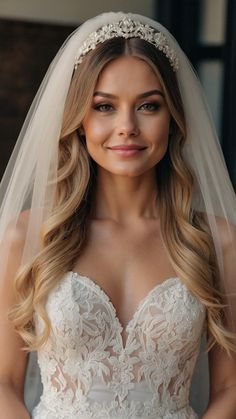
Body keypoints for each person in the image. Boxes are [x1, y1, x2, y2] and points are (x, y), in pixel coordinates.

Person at [0, 11, 236, 419]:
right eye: (105, 106)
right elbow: (3, 382)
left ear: (174, 118)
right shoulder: (28, 236)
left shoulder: (218, 242)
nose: (127, 126)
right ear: (79, 120)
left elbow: (231, 386)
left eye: (148, 105)